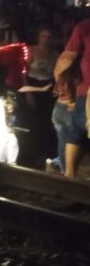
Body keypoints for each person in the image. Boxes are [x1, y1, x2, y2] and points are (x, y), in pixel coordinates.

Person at [52, 18, 90, 178]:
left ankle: (69, 177)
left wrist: (62, 87)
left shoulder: (85, 26)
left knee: (75, 133)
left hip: (85, 92)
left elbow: (66, 59)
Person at [17, 28, 59, 168]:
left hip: (48, 88)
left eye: (49, 36)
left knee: (45, 121)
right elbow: (22, 72)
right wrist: (28, 93)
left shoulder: (55, 54)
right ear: (38, 37)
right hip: (32, 85)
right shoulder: (31, 50)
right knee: (30, 120)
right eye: (43, 36)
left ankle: (41, 154)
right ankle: (27, 155)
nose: (46, 39)